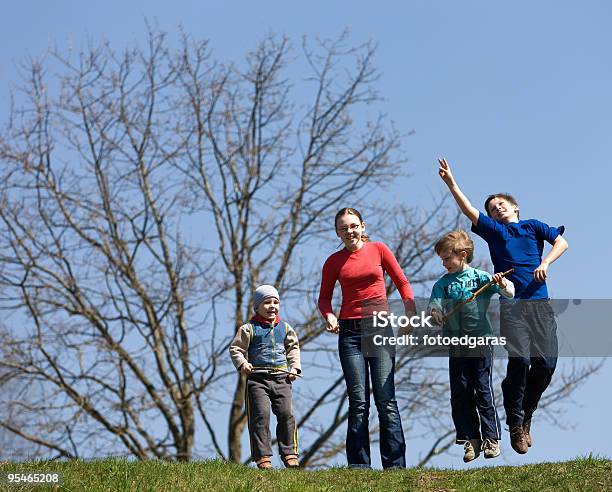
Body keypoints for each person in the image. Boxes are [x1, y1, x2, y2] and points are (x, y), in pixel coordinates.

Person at [437, 157, 568, 454]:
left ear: (515, 207)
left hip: (540, 304)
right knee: (520, 361)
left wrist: (545, 261)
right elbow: (468, 208)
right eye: (492, 209)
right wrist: (451, 183)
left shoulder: (533, 227)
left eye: (500, 205)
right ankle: (515, 421)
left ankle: (525, 412)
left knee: (546, 364)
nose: (496, 208)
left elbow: (562, 242)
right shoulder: (495, 232)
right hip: (513, 307)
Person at [317, 207, 415, 469]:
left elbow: (402, 282)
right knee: (358, 401)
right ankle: (359, 465)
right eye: (343, 228)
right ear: (337, 232)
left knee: (386, 399)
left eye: (353, 225)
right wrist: (329, 316)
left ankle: (395, 465)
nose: (349, 231)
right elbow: (324, 298)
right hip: (349, 332)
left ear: (362, 226)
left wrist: (409, 310)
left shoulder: (379, 250)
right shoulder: (333, 262)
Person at [429, 230, 514, 462]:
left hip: (480, 341)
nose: (444, 263)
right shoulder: (442, 284)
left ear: (463, 255)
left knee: (481, 388)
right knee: (460, 391)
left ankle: (491, 438)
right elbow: (434, 306)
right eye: (442, 259)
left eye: (447, 258)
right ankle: (470, 440)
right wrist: (435, 313)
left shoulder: (480, 278)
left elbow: (510, 292)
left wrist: (503, 283)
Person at [229, 284, 301, 469]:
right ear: (257, 307)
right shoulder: (248, 329)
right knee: (260, 415)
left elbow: (293, 348)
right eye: (267, 302)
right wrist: (243, 363)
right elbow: (236, 349)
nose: (272, 306)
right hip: (257, 380)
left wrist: (295, 368)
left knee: (286, 414)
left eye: (275, 302)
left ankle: (290, 452)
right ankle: (262, 456)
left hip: (282, 379)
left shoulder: (285, 328)